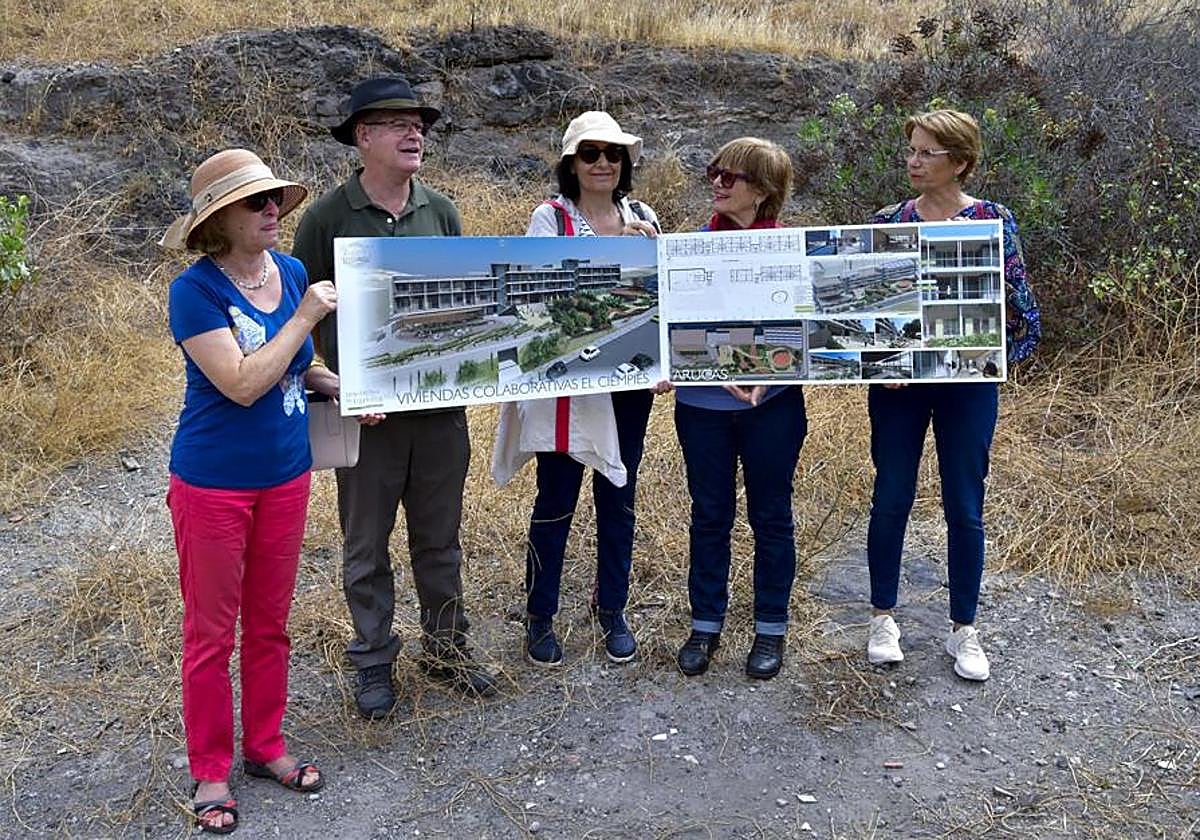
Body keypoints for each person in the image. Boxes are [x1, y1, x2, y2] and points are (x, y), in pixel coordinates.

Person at [292, 77, 497, 720]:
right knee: (365, 542)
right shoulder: (325, 217)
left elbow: (459, 302)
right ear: (363, 137)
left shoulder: (442, 210)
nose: (415, 133)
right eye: (398, 123)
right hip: (369, 414)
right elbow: (306, 311)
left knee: (439, 539)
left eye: (420, 124)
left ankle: (448, 651)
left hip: (439, 409)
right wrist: (344, 380)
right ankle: (374, 661)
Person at [162, 148, 337, 833]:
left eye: (273, 200)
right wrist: (304, 317)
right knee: (210, 633)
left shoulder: (290, 272)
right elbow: (238, 382)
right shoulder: (195, 290)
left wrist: (343, 388)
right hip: (213, 484)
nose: (272, 210)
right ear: (218, 221)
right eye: (254, 203)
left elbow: (299, 367)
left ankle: (265, 747)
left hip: (285, 475)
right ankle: (210, 769)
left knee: (270, 624)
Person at [864, 109, 1040, 681]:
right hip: (899, 389)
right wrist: (878, 363)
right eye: (910, 150)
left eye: (926, 153)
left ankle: (964, 628)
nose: (913, 161)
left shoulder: (993, 219)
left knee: (965, 505)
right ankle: (882, 618)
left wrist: (990, 362)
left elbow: (1022, 311)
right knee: (891, 497)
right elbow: (867, 313)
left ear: (959, 163)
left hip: (968, 389)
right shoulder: (887, 220)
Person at [498, 111, 661, 667]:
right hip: (567, 384)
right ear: (572, 162)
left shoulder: (643, 217)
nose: (603, 163)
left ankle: (611, 607)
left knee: (619, 494)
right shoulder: (549, 218)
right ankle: (541, 614)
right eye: (591, 153)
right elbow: (539, 296)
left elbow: (656, 303)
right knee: (556, 499)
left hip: (627, 381)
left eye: (613, 154)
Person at [674, 137, 808, 680]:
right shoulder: (686, 249)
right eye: (714, 172)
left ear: (763, 189)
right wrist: (714, 367)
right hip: (701, 406)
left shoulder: (792, 250)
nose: (717, 184)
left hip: (772, 407)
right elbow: (678, 330)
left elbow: (801, 330)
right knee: (709, 516)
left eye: (730, 177)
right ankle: (705, 624)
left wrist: (762, 374)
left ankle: (770, 629)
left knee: (771, 516)